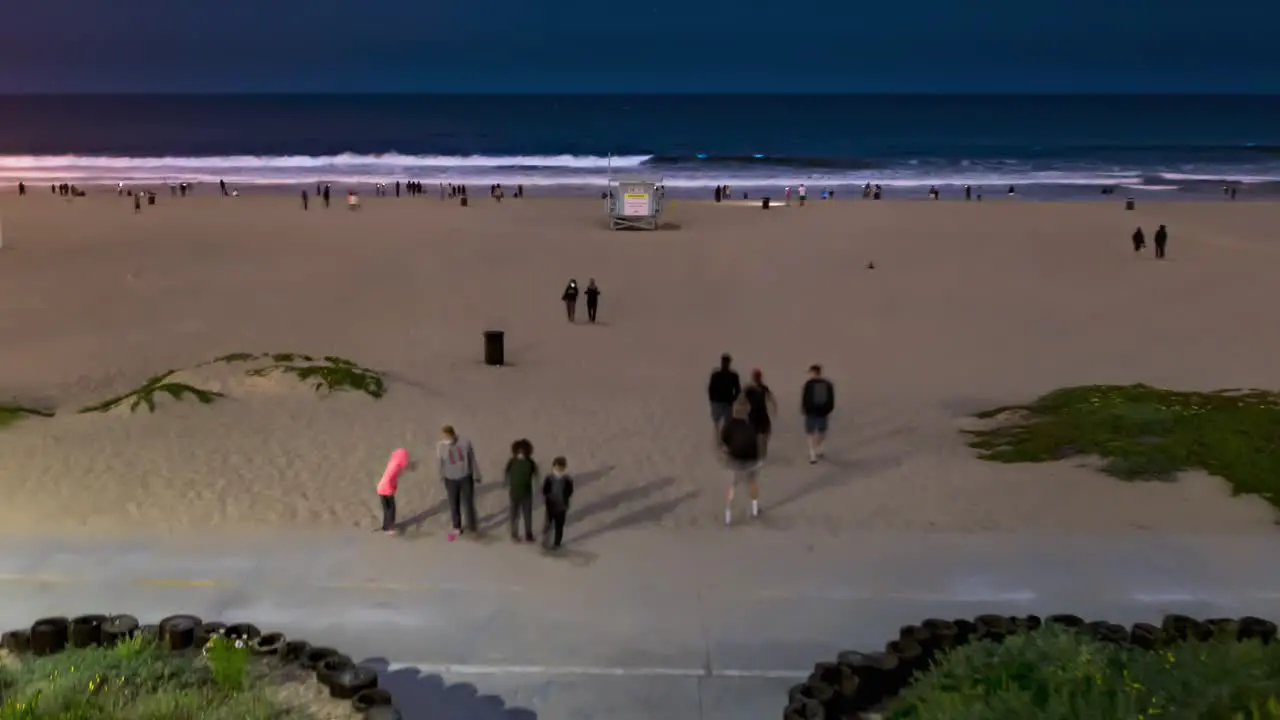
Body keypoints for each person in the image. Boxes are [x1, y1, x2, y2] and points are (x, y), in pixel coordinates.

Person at [719, 400, 761, 526]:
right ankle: (754, 509)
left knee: (731, 485)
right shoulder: (751, 425)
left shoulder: (730, 425)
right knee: (751, 482)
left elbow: (724, 441)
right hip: (750, 459)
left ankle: (728, 514)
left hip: (735, 458)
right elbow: (755, 443)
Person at [437, 425, 481, 540]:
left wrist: (476, 474)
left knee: (468, 503)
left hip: (465, 476)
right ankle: (457, 527)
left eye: (447, 437)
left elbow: (472, 459)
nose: (445, 440)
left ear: (453, 435)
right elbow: (440, 462)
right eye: (443, 438)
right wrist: (441, 475)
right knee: (453, 503)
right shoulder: (441, 446)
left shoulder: (465, 442)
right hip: (450, 479)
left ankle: (472, 527)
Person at [504, 438, 538, 543]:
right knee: (515, 514)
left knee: (527, 515)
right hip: (515, 492)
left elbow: (535, 475)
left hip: (526, 492)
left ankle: (528, 533)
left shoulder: (530, 462)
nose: (521, 453)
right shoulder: (512, 462)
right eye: (519, 450)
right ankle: (514, 533)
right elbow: (507, 473)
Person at [800, 364, 835, 464]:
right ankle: (818, 449)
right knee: (822, 432)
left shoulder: (809, 384)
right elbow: (831, 398)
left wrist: (804, 409)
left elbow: (805, 398)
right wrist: (829, 409)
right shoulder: (828, 384)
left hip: (811, 411)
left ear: (813, 372)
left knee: (810, 432)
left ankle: (812, 452)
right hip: (823, 411)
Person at [541, 456, 575, 549]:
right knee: (548, 524)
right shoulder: (549, 478)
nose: (559, 469)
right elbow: (544, 490)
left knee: (559, 525)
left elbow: (570, 491)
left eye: (561, 467)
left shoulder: (567, 479)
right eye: (557, 466)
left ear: (564, 468)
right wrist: (548, 497)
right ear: (553, 466)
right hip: (551, 505)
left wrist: (565, 497)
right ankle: (545, 541)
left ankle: (557, 543)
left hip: (562, 506)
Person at [744, 369, 777, 458]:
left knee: (759, 434)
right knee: (763, 434)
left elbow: (743, 402)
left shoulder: (750, 389)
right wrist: (774, 409)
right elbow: (771, 400)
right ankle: (761, 453)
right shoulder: (756, 389)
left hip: (755, 413)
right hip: (760, 413)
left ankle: (759, 453)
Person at [376, 448, 410, 535]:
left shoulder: (393, 463)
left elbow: (391, 477)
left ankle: (385, 526)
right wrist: (392, 489)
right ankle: (389, 528)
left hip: (381, 487)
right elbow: (391, 478)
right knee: (391, 508)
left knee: (386, 508)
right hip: (386, 488)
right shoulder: (396, 466)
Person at [707, 353, 742, 436]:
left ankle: (725, 439)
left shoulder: (733, 375)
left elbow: (738, 389)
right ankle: (717, 439)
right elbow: (711, 388)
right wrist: (712, 400)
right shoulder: (716, 375)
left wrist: (734, 399)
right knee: (717, 423)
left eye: (727, 362)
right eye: (724, 361)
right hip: (717, 402)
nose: (725, 363)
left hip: (728, 403)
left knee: (727, 424)